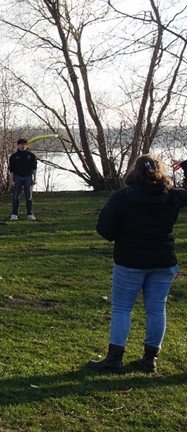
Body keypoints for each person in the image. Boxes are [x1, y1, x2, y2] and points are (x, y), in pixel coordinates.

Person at [87, 154, 187, 373]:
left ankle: (115, 358)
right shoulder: (172, 196)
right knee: (157, 308)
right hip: (163, 259)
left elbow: (105, 230)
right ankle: (150, 358)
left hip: (130, 260)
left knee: (122, 308)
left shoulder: (123, 197)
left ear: (135, 171)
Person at [8, 138, 38, 221]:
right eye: (21, 144)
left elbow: (34, 168)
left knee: (29, 196)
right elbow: (11, 170)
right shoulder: (13, 157)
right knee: (15, 196)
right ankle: (14, 214)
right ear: (18, 145)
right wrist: (11, 180)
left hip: (28, 177)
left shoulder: (31, 156)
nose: (23, 146)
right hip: (17, 177)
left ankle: (30, 214)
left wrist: (34, 178)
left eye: (24, 144)